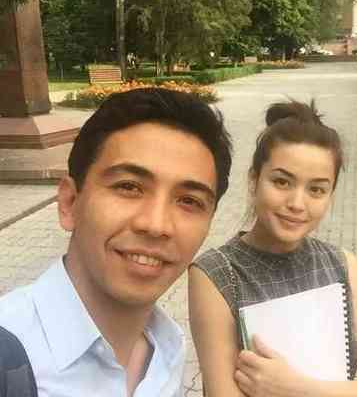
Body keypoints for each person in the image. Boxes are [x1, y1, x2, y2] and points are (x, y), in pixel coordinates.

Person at [0, 87, 232, 397]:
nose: (156, 225)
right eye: (129, 187)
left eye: (189, 201)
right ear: (69, 203)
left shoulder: (168, 347)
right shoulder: (10, 355)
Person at [189, 100, 357, 397]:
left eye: (316, 189)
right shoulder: (216, 274)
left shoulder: (343, 265)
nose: (297, 204)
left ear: (330, 196)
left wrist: (296, 388)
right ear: (254, 180)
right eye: (282, 182)